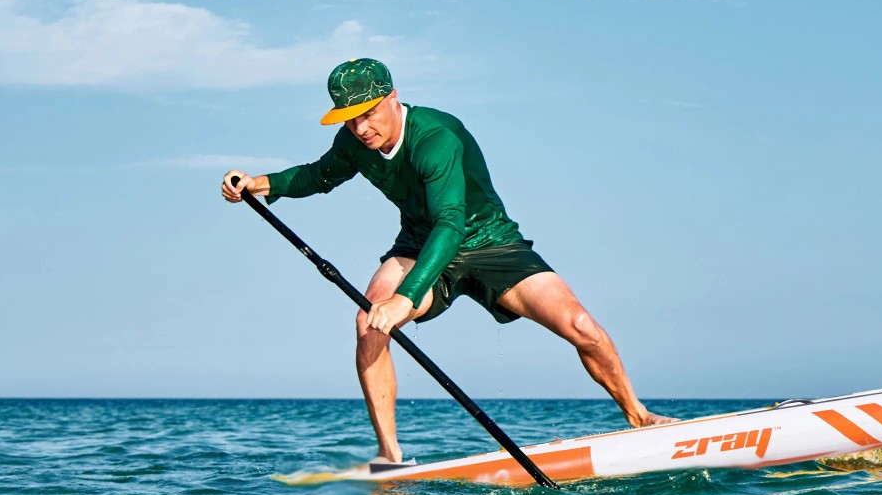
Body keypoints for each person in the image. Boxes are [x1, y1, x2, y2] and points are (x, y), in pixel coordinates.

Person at [222, 58, 668, 462]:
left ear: (393, 99)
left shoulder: (436, 138)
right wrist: (259, 183)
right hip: (419, 243)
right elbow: (318, 175)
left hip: (488, 239)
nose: (360, 129)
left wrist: (408, 297)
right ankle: (390, 456)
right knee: (369, 320)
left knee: (582, 327)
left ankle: (638, 416)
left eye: (368, 114)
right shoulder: (354, 143)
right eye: (349, 119)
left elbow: (451, 223)